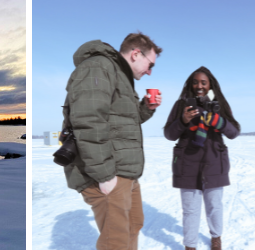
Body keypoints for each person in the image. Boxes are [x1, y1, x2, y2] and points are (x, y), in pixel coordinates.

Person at [59, 32, 161, 250]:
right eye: (150, 64)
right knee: (116, 242)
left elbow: (124, 123)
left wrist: (147, 108)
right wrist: (104, 176)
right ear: (135, 54)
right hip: (107, 172)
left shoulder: (120, 75)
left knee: (133, 225)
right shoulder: (99, 67)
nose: (150, 71)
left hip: (125, 171)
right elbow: (88, 120)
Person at [163, 67, 240, 250]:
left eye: (203, 82)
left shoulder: (220, 103)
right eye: (196, 82)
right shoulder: (181, 105)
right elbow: (169, 134)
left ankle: (216, 238)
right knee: (190, 210)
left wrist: (219, 122)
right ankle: (190, 245)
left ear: (210, 84)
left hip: (214, 161)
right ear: (191, 84)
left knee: (214, 206)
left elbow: (234, 132)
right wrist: (183, 120)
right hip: (187, 163)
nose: (199, 86)